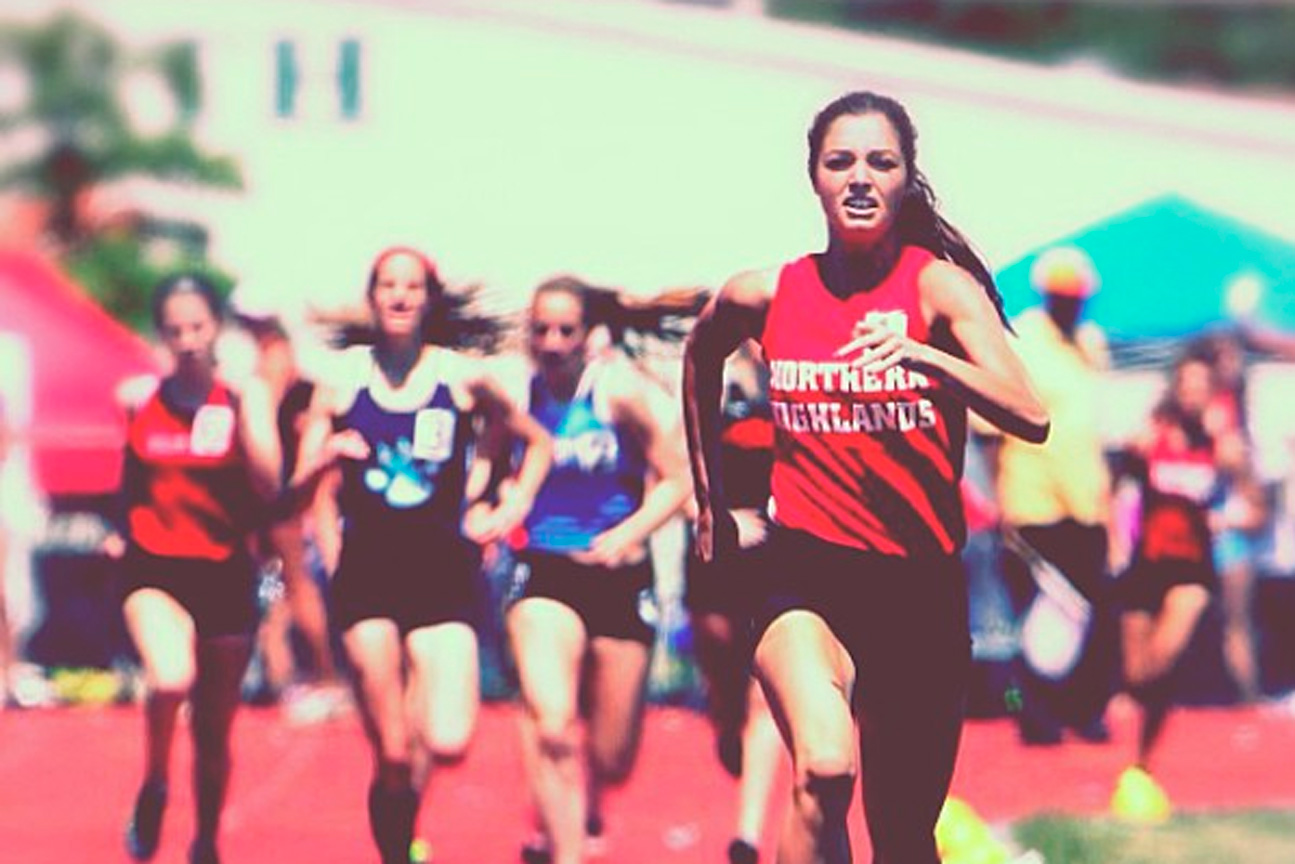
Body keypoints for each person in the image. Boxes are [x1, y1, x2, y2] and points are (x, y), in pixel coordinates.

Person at [683, 91, 1049, 864]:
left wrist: (926, 357)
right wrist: (710, 500)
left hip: (917, 590)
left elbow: (1029, 412)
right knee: (821, 769)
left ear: (906, 179)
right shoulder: (769, 292)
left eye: (879, 162)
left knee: (902, 837)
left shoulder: (937, 290)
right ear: (813, 176)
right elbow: (699, 354)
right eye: (838, 161)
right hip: (805, 574)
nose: (858, 177)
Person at [291, 246, 552, 864]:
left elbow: (535, 444)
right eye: (388, 285)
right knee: (393, 751)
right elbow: (298, 488)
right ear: (372, 296)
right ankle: (395, 849)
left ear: (429, 299)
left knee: (450, 737)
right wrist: (327, 477)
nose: (400, 296)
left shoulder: (462, 380)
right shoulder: (339, 383)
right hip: (367, 579)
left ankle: (400, 823)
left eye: (412, 287)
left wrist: (499, 507)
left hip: (444, 576)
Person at [504, 276, 694, 864]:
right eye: (541, 329)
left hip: (619, 577)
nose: (553, 342)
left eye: (566, 329)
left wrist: (627, 535)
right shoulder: (516, 396)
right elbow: (487, 468)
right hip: (546, 573)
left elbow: (678, 477)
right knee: (555, 723)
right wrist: (491, 509)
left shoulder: (616, 394)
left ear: (589, 336)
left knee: (612, 757)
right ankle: (564, 848)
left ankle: (582, 799)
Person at [116, 273, 283, 864]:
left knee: (214, 733)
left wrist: (246, 413)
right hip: (155, 570)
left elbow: (270, 484)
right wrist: (118, 532)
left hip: (224, 574)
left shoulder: (243, 396)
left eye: (197, 328)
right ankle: (156, 779)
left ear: (216, 330)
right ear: (161, 333)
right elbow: (128, 482)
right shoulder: (138, 398)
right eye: (174, 330)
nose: (187, 341)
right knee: (169, 679)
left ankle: (206, 841)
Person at [1110, 348, 1261, 823]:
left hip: (1192, 568)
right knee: (1137, 677)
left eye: (1203, 388)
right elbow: (1116, 489)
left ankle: (1144, 759)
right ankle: (1141, 761)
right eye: (1187, 386)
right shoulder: (1149, 439)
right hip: (1146, 562)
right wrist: (1115, 539)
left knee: (1164, 657)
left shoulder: (1225, 446)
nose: (1194, 396)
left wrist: (1228, 516)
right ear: (1175, 389)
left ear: (1213, 395)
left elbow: (1256, 508)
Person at [985, 246, 1116, 745]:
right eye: (1064, 297)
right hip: (1033, 499)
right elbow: (993, 429)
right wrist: (999, 499)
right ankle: (1032, 712)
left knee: (1088, 611)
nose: (1073, 306)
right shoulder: (1024, 340)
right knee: (1036, 615)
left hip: (1084, 501)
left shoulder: (1089, 343)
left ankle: (1082, 709)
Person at [683, 342, 785, 864]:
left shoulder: (795, 385)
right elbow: (674, 469)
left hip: (777, 550)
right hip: (716, 547)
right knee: (724, 663)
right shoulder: (711, 385)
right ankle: (723, 718)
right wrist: (715, 512)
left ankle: (746, 836)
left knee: (762, 689)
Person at [228, 295, 347, 720]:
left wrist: (285, 487)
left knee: (294, 583)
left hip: (278, 492)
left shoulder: (274, 362)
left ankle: (325, 674)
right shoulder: (277, 360)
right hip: (276, 489)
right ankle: (284, 675)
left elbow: (269, 425)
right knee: (275, 591)